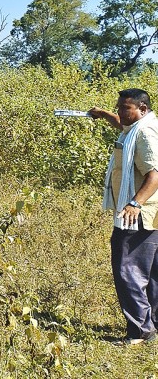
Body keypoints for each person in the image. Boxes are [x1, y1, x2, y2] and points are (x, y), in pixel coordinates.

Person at [89, 88, 158, 345]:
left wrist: (134, 203)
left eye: (124, 109)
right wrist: (105, 114)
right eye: (118, 108)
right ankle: (152, 325)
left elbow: (155, 174)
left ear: (142, 108)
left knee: (128, 269)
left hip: (139, 214)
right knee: (151, 271)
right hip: (153, 214)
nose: (120, 113)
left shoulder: (146, 134)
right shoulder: (141, 126)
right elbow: (124, 126)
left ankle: (140, 332)